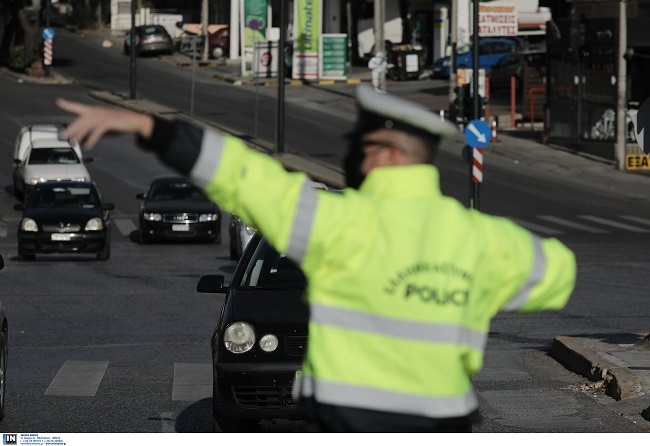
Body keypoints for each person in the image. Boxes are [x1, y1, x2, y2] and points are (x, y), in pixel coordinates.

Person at [56, 85, 576, 433]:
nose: (351, 153)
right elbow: (557, 273)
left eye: (360, 144)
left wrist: (153, 128)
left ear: (389, 153)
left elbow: (242, 175)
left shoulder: (338, 224)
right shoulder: (479, 240)